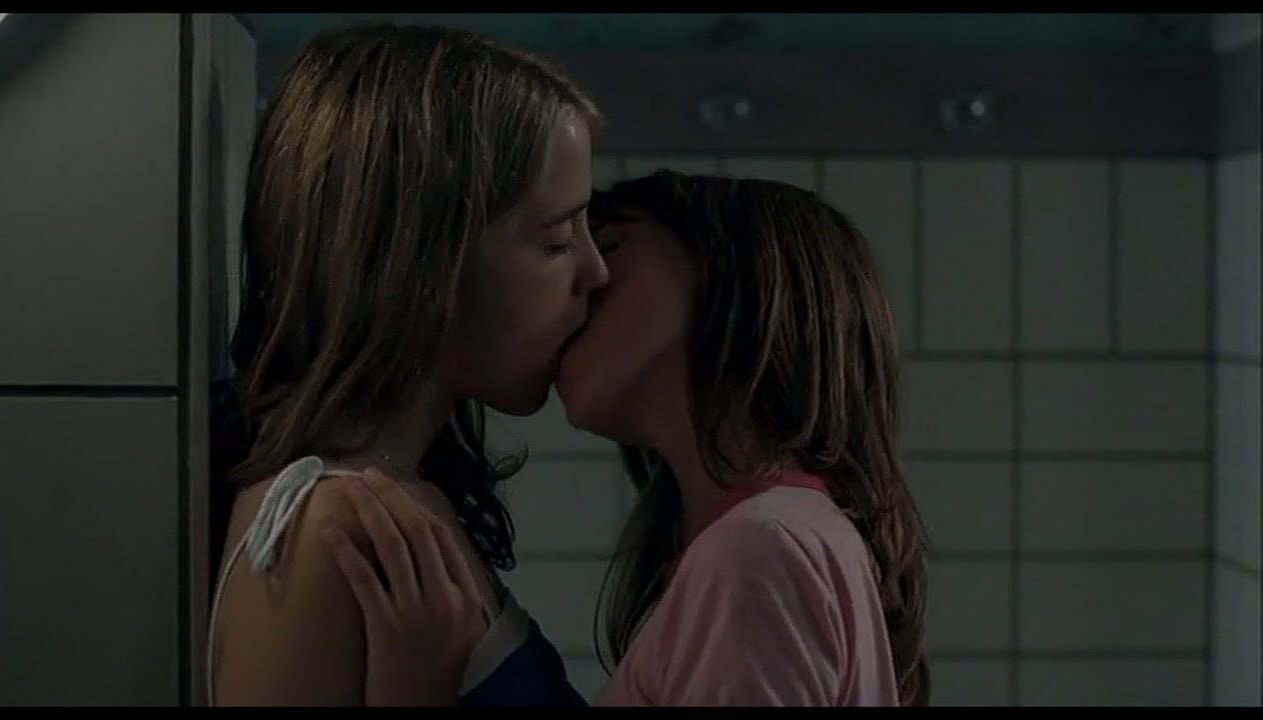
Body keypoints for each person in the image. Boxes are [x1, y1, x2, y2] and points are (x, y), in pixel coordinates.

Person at [324, 170, 933, 706]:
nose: (584, 284)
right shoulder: (788, 534)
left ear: (729, 275)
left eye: (610, 249)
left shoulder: (759, 548)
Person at [205, 23, 610, 706]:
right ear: (419, 263)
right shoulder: (322, 531)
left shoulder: (393, 499)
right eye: (556, 241)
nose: (595, 272)